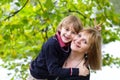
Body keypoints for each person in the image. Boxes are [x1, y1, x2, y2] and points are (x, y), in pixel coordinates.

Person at [28, 15, 89, 80]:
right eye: (67, 29)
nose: (68, 34)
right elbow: (53, 70)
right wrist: (77, 71)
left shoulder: (68, 43)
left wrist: (95, 31)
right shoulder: (52, 44)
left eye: (73, 32)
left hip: (48, 76)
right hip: (38, 77)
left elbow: (85, 45)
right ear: (60, 28)